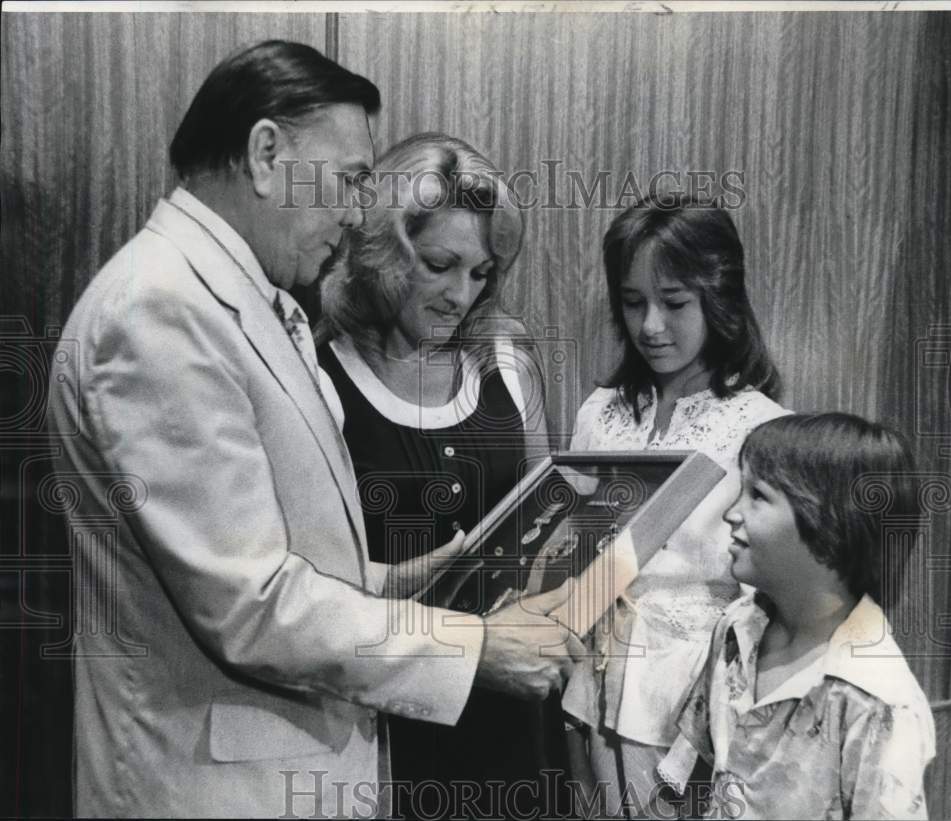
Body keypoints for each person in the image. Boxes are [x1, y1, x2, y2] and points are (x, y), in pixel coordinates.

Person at [45, 41, 581, 819]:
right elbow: (249, 604)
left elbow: (247, 556)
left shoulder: (232, 298)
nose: (362, 212)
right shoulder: (159, 311)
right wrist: (474, 648)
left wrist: (379, 582)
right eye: (352, 179)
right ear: (266, 154)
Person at [315, 132, 568, 819]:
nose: (462, 294)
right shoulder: (317, 374)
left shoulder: (505, 361)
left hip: (514, 713)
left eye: (481, 272)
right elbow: (303, 587)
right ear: (381, 250)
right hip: (384, 720)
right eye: (439, 264)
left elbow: (552, 524)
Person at [562, 195, 788, 816]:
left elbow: (769, 601)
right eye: (633, 303)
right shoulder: (601, 414)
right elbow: (575, 550)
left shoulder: (759, 428)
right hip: (592, 684)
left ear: (719, 299)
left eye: (675, 303)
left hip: (692, 703)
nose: (651, 326)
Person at [657, 413, 936, 819]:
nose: (731, 514)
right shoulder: (736, 626)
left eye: (758, 496)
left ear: (831, 524)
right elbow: (696, 773)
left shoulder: (878, 701)